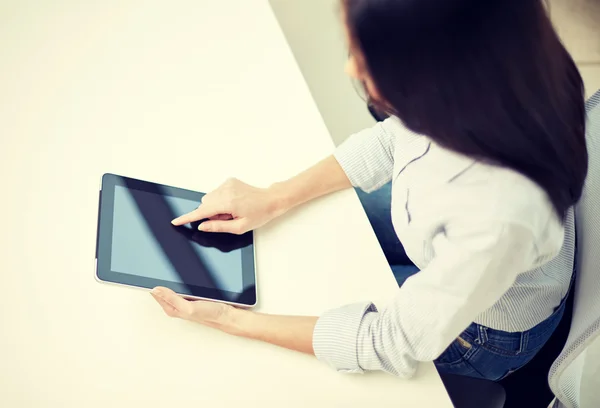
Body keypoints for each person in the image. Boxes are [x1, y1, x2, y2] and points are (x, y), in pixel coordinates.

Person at [150, 0, 588, 381]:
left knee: (310, 296)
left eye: (366, 55)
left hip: (482, 332)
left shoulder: (499, 215)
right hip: (447, 235)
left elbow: (389, 339)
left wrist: (230, 321)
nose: (351, 68)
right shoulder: (499, 70)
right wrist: (274, 196)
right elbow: (392, 139)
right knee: (301, 240)